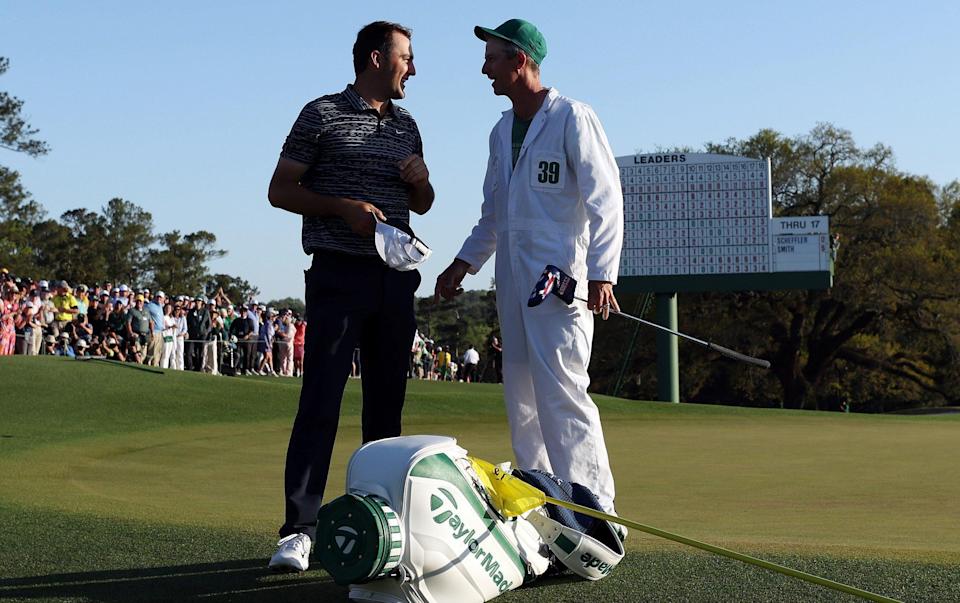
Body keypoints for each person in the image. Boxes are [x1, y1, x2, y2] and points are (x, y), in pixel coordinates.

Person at [435, 20, 624, 516]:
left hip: (560, 284)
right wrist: (462, 263)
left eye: (493, 57)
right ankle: (543, 509)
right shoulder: (500, 131)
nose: (484, 68)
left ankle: (593, 510)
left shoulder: (572, 118)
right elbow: (494, 215)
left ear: (519, 61)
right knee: (521, 396)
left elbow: (607, 200)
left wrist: (603, 273)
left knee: (563, 392)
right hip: (513, 285)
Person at [266, 20, 434, 572]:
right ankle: (300, 530)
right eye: (406, 57)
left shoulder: (407, 124)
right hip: (338, 273)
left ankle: (381, 528)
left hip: (395, 276)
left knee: (387, 408)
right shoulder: (321, 114)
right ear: (375, 59)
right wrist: (342, 207)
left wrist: (420, 180)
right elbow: (281, 188)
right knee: (321, 401)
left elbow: (425, 203)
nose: (414, 67)